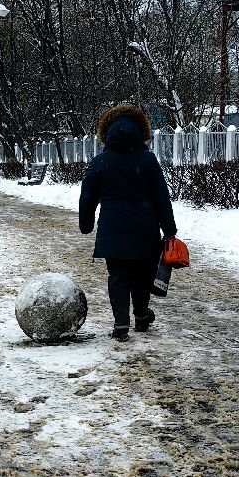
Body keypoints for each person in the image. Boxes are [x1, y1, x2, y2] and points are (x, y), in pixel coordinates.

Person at [78, 104, 177, 340]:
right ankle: (141, 316)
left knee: (118, 275)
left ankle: (121, 323)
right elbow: (161, 197)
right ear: (141, 130)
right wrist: (169, 229)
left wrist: (86, 223)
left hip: (113, 230)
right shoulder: (147, 160)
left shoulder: (101, 161)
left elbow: (87, 196)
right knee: (143, 274)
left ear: (107, 131)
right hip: (145, 229)